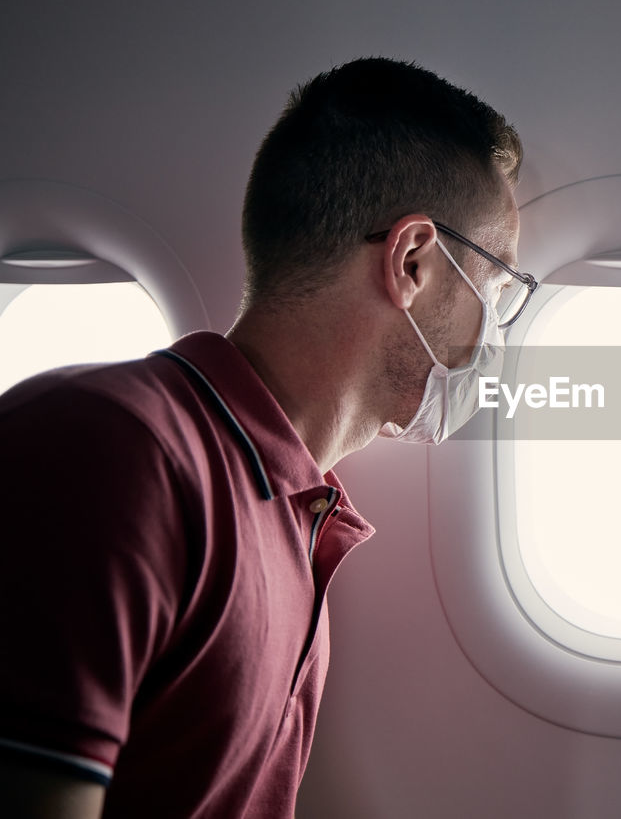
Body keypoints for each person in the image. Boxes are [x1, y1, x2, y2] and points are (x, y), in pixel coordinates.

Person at [0, 57, 527, 818]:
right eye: (498, 285)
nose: (497, 329)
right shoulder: (109, 451)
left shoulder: (301, 516)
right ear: (411, 261)